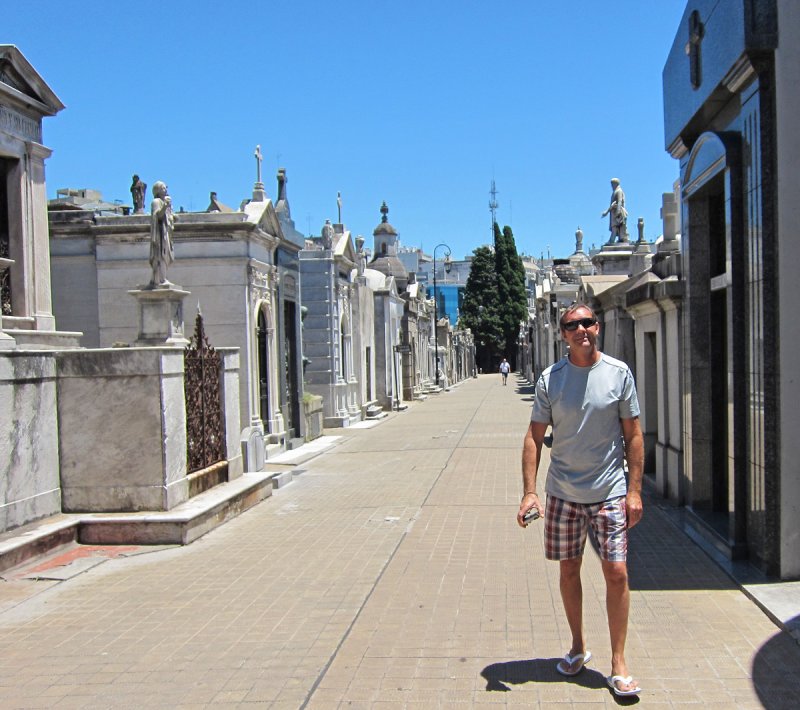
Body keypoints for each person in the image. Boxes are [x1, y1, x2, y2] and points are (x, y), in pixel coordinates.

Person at [517, 303, 643, 697]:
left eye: (587, 322)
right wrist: (529, 492)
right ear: (563, 333)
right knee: (569, 570)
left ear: (598, 327)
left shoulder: (618, 374)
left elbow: (634, 435)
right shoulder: (550, 379)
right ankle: (576, 646)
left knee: (617, 573)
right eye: (572, 325)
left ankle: (618, 662)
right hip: (564, 494)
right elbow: (534, 437)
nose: (581, 329)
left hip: (609, 491)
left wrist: (635, 490)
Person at [149, 181, 174, 287]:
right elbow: (157, 215)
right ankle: (161, 279)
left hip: (166, 233)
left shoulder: (164, 202)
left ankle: (162, 277)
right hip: (159, 235)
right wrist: (165, 206)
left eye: (165, 188)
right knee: (161, 255)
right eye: (163, 188)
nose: (166, 190)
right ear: (157, 190)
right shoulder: (156, 202)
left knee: (166, 256)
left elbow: (168, 218)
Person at [601, 178, 628, 243]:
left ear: (615, 183)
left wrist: (618, 211)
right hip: (613, 211)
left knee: (615, 226)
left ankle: (612, 239)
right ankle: (614, 239)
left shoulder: (619, 191)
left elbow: (619, 201)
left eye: (612, 184)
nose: (611, 186)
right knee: (615, 226)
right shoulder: (615, 191)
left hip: (617, 211)